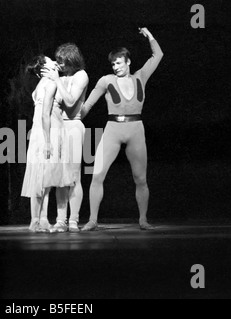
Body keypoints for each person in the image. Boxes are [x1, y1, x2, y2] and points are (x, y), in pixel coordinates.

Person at [80, 28, 164, 231]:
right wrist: (71, 120)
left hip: (136, 129)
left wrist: (149, 35)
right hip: (113, 129)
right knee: (97, 175)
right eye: (113, 64)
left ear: (128, 62)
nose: (115, 66)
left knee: (140, 178)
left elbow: (158, 55)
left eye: (119, 63)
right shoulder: (106, 81)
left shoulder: (140, 77)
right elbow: (87, 106)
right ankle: (92, 220)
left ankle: (143, 220)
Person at [21, 55, 76, 232]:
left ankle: (41, 219)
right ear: (45, 67)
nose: (55, 62)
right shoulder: (51, 83)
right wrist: (47, 141)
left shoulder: (40, 85)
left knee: (43, 178)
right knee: (42, 178)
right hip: (48, 132)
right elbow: (45, 114)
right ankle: (36, 221)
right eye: (51, 60)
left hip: (41, 131)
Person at [41, 43, 89, 233]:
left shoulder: (81, 75)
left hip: (73, 126)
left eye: (63, 61)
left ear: (72, 60)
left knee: (74, 177)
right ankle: (61, 220)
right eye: (58, 61)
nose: (60, 65)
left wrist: (57, 81)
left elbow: (70, 102)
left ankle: (73, 220)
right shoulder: (60, 77)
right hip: (58, 127)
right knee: (60, 177)